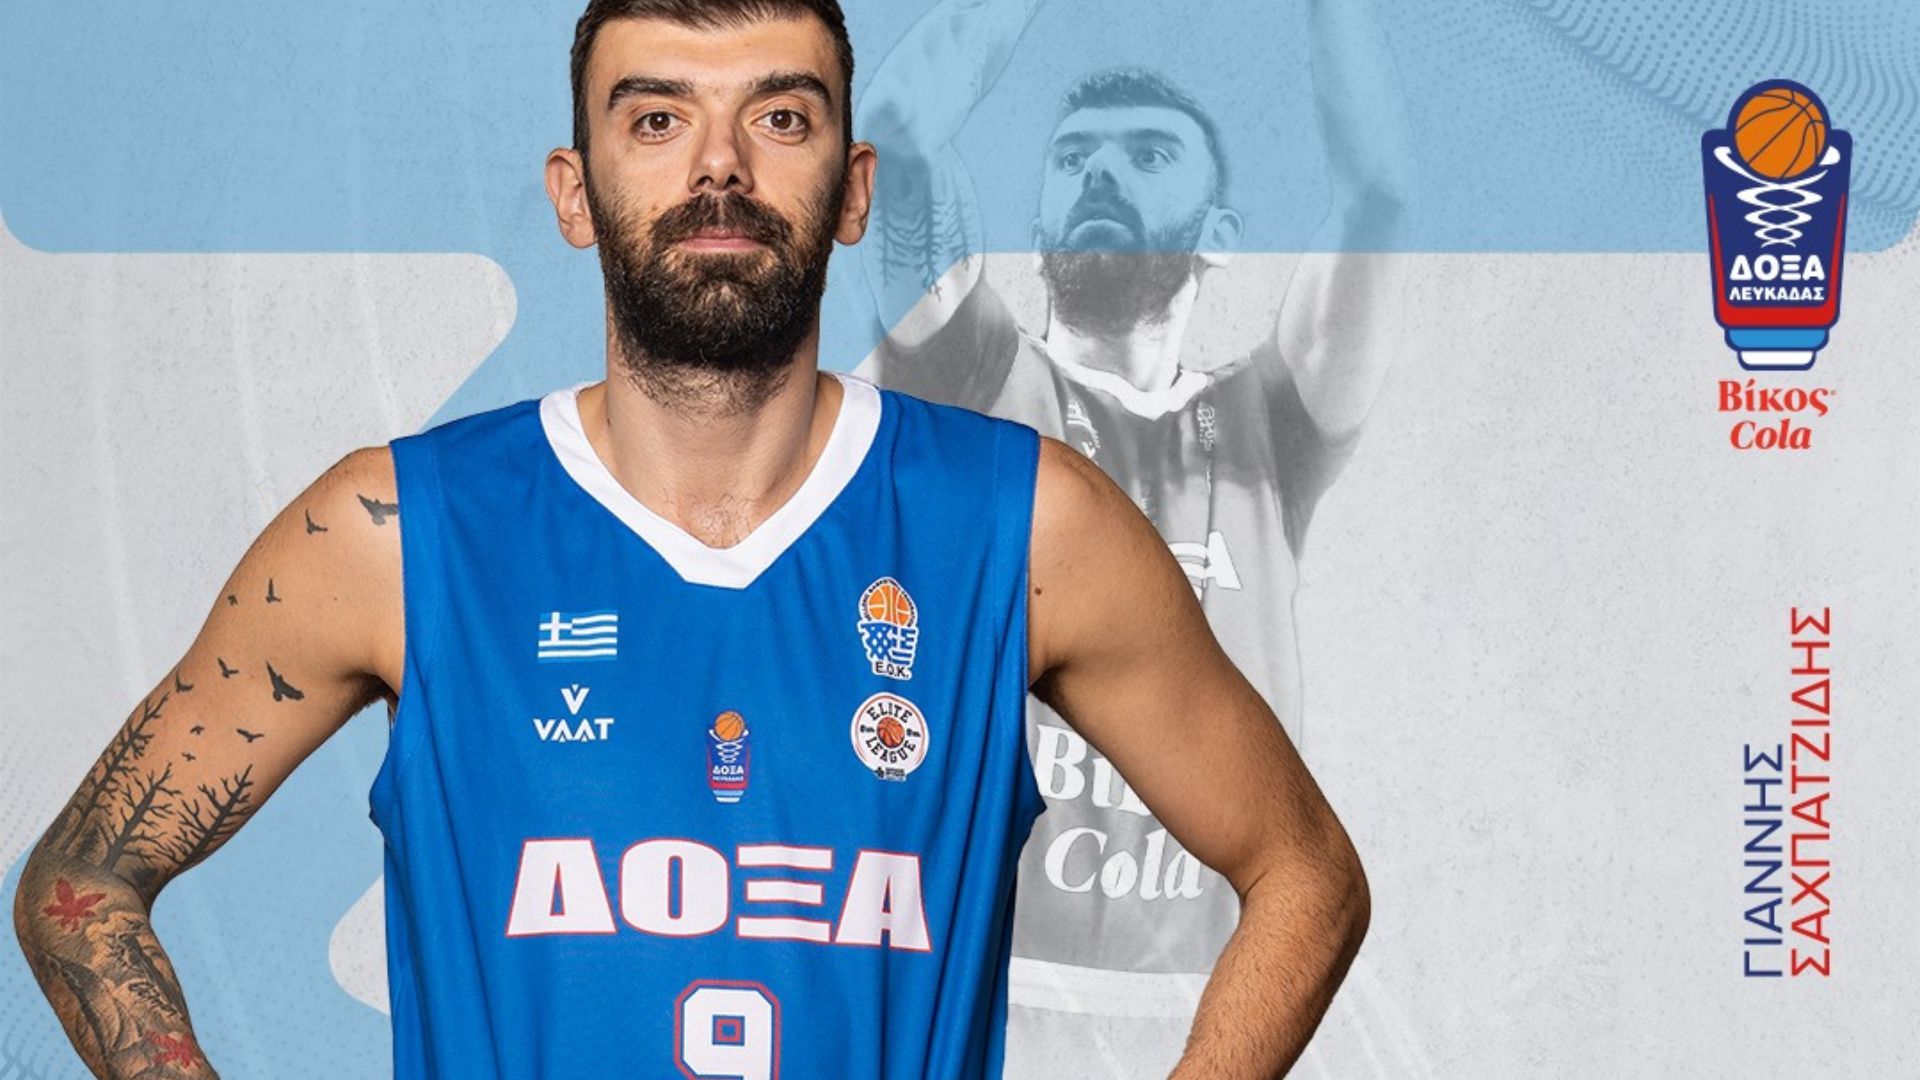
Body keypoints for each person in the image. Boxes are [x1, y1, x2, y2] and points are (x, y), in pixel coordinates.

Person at [12, 1, 1368, 1076]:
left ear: (853, 188)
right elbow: (80, 880)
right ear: (572, 192)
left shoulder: (1024, 525)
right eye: (656, 119)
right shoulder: (394, 532)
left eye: (780, 117)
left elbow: (1304, 872)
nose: (720, 166)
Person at [852, 0, 1410, 1072]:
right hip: (984, 997)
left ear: (1220, 236)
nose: (1101, 173)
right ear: (1041, 220)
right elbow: (899, 128)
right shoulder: (970, 377)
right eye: (1074, 159)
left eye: (1148, 155)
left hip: (1213, 1009)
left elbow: (1378, 189)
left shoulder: (1273, 424)